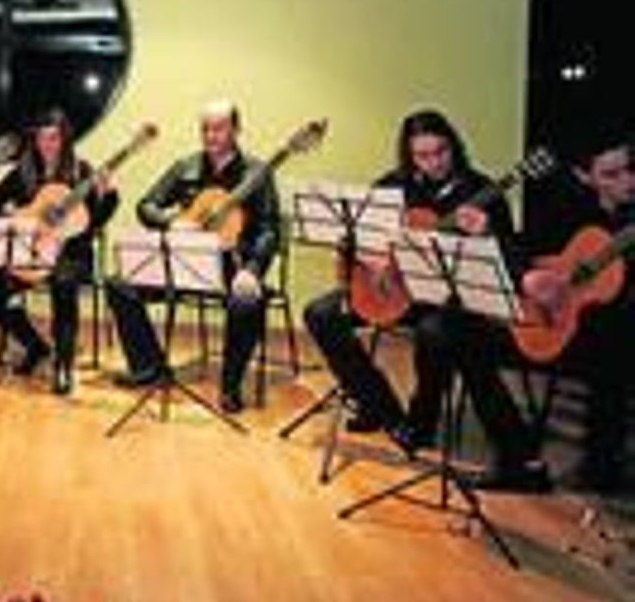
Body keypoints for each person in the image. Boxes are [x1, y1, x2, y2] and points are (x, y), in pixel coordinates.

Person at [305, 109, 546, 490]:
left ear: (454, 147)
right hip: (394, 292)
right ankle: (380, 407)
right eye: (422, 155)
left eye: (440, 152)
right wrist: (372, 255)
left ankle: (423, 422)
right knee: (320, 313)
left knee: (437, 333)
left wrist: (486, 235)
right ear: (409, 155)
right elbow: (351, 235)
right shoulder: (392, 186)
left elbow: (511, 259)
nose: (433, 163)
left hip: (448, 300)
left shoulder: (481, 191)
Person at [104, 100, 279, 413]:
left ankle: (230, 386)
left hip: (232, 265)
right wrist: (172, 222)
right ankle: (148, 366)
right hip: (183, 261)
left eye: (219, 128)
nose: (211, 136)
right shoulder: (185, 167)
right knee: (119, 284)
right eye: (205, 129)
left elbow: (269, 230)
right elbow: (146, 205)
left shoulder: (257, 173)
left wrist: (252, 270)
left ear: (236, 130)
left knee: (247, 302)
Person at [0, 108, 117, 395]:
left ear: (65, 140)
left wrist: (109, 196)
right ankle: (35, 346)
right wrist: (16, 213)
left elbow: (94, 222)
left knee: (64, 285)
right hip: (30, 254)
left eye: (54, 138)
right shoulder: (23, 172)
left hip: (71, 254)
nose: (48, 145)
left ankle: (63, 366)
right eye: (42, 138)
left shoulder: (81, 172)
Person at [522, 129, 632, 492]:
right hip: (566, 329)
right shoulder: (566, 212)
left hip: (613, 329)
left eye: (630, 169)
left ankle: (604, 458)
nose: (628, 181)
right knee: (613, 343)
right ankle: (598, 462)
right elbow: (525, 257)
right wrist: (536, 279)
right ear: (585, 177)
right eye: (611, 175)